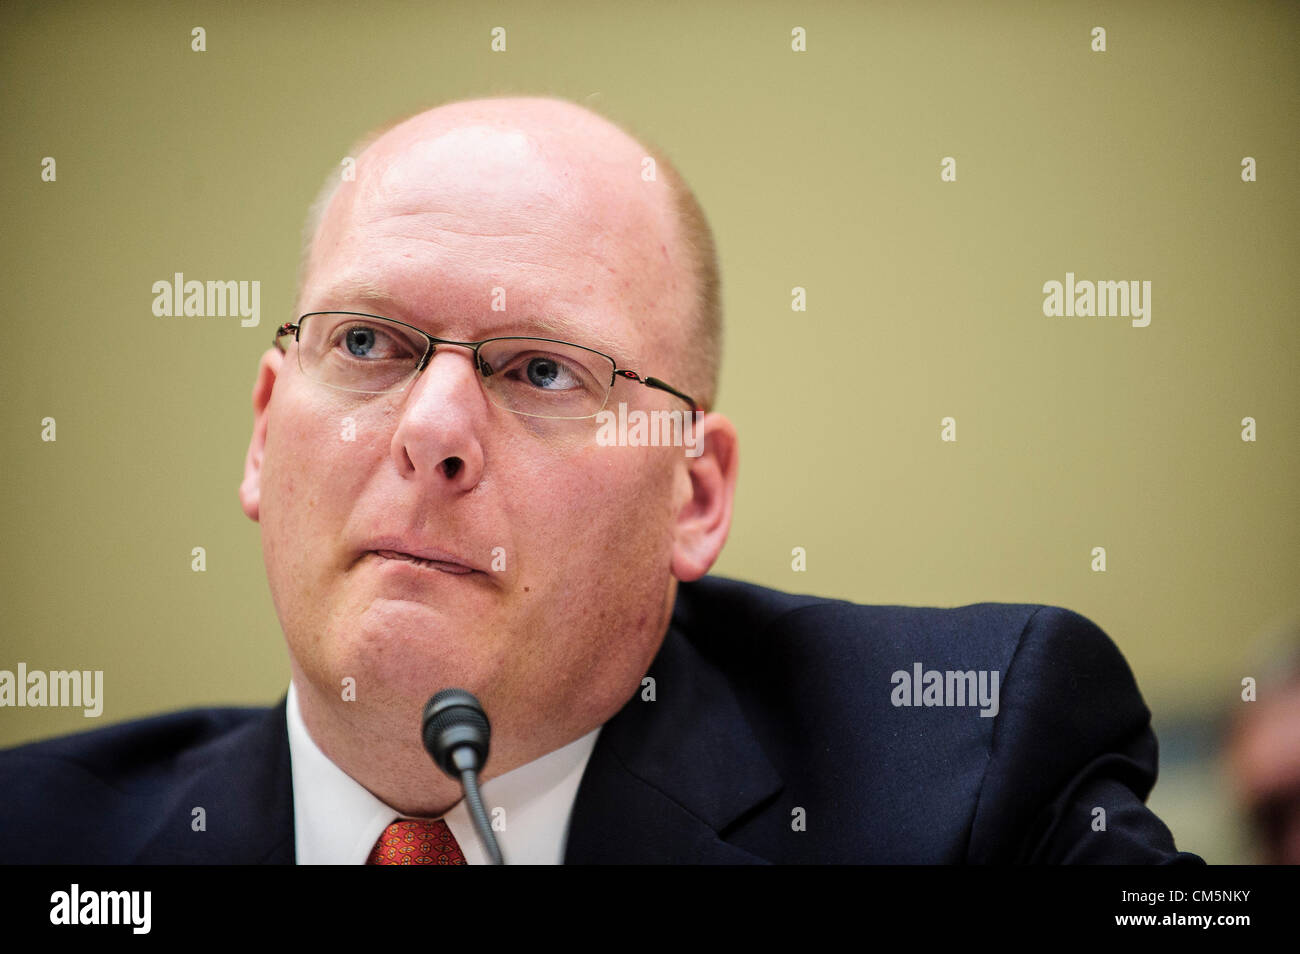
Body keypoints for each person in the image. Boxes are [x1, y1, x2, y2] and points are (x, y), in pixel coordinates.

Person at [0, 95, 1201, 864]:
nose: (433, 431)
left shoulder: (970, 775)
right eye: (367, 344)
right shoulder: (43, 838)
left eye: (539, 370)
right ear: (265, 435)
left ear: (693, 496)